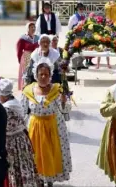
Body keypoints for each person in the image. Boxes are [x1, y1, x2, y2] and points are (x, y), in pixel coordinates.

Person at [20, 59, 72, 187]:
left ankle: (49, 182)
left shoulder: (57, 90)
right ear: (36, 75)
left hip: (54, 127)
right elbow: (22, 111)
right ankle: (39, 182)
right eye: (40, 74)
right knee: (36, 157)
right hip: (35, 128)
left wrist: (65, 101)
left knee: (51, 155)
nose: (43, 77)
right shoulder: (28, 91)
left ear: (50, 76)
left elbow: (65, 110)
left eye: (46, 75)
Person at [0, 78, 39, 187]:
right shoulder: (15, 102)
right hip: (21, 140)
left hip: (11, 144)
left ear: (2, 94)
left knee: (12, 170)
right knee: (22, 167)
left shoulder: (6, 109)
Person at [16, 22, 40, 90]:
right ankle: (24, 87)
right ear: (27, 28)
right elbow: (19, 50)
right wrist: (20, 60)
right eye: (31, 27)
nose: (33, 28)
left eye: (34, 27)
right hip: (26, 56)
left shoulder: (37, 38)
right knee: (26, 72)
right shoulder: (23, 38)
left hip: (35, 56)